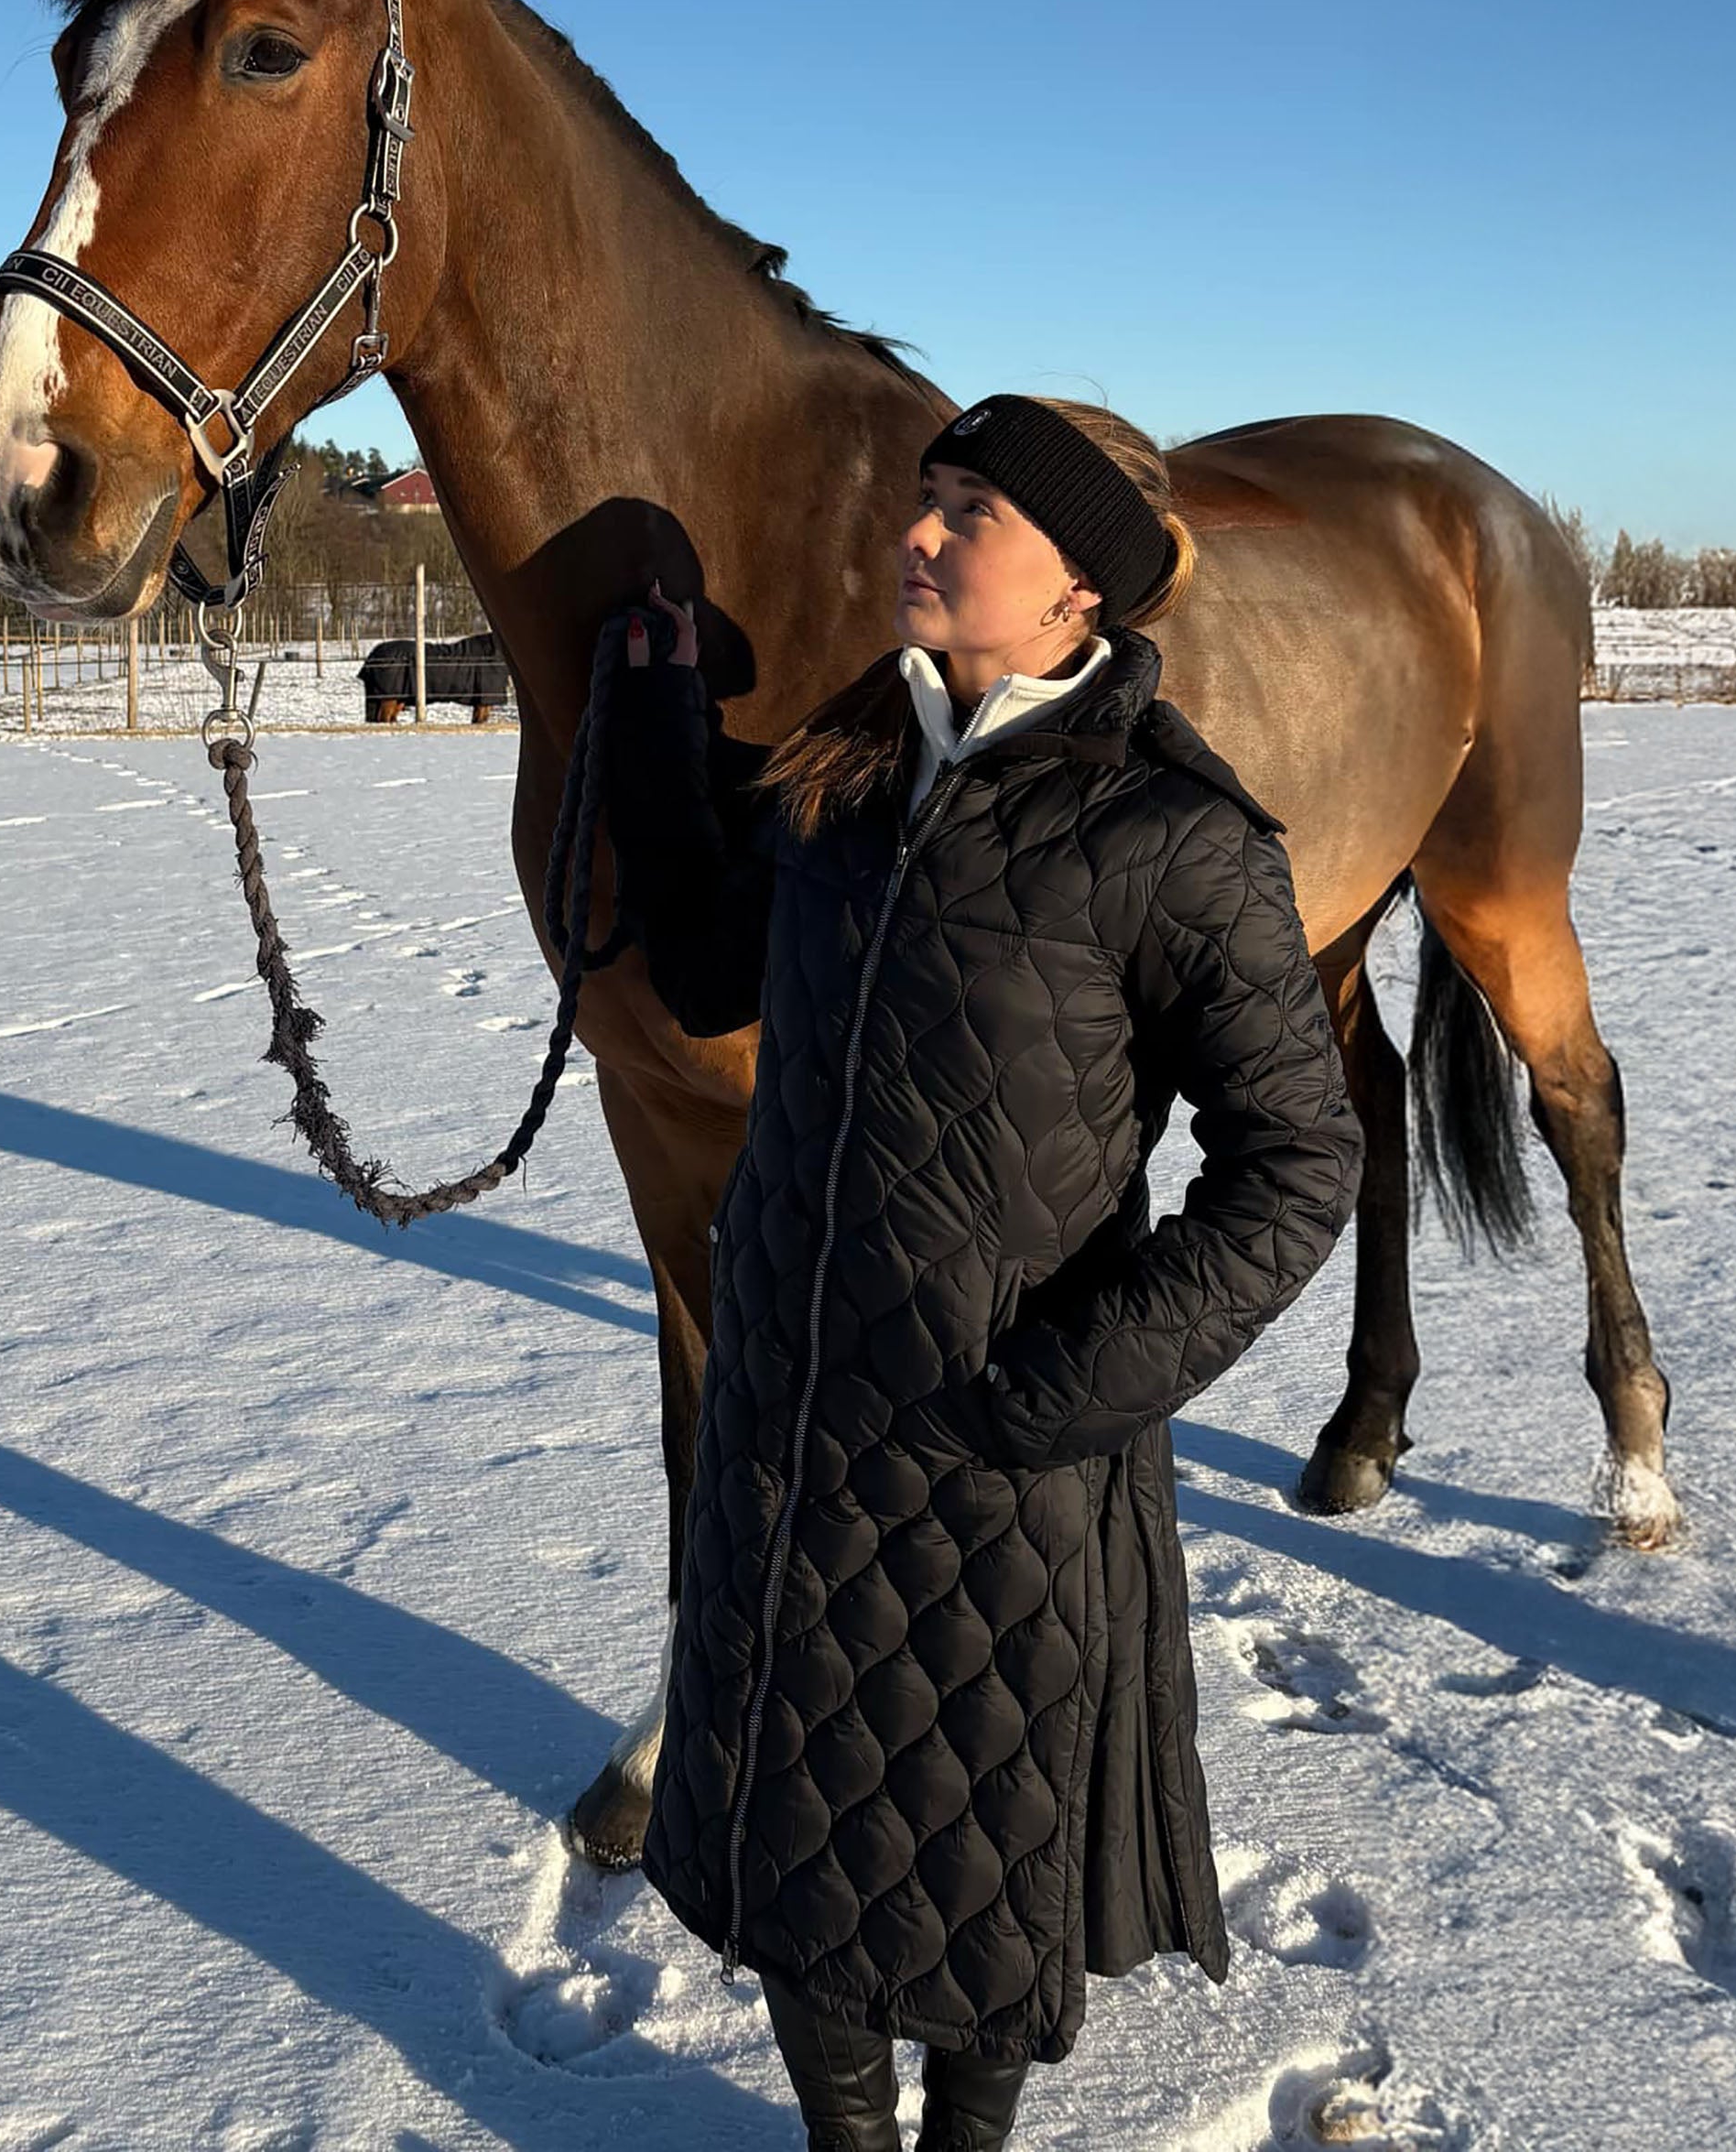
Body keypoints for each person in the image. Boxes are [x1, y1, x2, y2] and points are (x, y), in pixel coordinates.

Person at [604, 393, 1364, 2152]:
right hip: (790, 1423)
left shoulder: (1172, 840)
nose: (922, 535)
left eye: (974, 516)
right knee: (798, 1832)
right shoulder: (846, 767)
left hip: (999, 1447)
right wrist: (650, 718)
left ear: (1079, 594)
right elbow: (717, 973)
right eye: (928, 498)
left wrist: (1071, 1391)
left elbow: (1299, 1163)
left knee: (975, 1854)